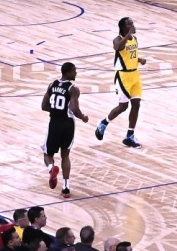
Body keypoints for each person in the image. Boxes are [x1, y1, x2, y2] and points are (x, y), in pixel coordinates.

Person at [94, 17, 147, 149]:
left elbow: (130, 54)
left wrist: (139, 59)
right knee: (123, 106)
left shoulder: (134, 39)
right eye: (129, 24)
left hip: (135, 74)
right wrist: (128, 35)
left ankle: (129, 136)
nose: (132, 25)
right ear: (123, 27)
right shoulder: (117, 39)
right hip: (123, 76)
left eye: (132, 23)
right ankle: (103, 123)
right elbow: (118, 47)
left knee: (136, 104)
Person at [41, 62, 88, 198]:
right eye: (74, 71)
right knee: (65, 155)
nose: (76, 73)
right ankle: (66, 188)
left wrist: (56, 110)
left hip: (54, 122)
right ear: (67, 72)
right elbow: (74, 108)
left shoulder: (52, 85)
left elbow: (44, 106)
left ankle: (51, 169)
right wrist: (83, 117)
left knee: (47, 154)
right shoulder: (73, 88)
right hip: (68, 124)